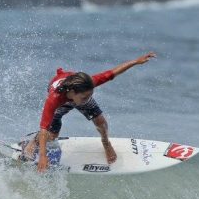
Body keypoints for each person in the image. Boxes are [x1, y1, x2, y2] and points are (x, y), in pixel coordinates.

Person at [25, 52, 156, 172]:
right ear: (71, 92)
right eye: (85, 97)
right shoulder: (53, 100)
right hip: (63, 102)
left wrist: (135, 62)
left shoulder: (86, 88)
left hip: (78, 93)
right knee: (51, 135)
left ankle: (105, 142)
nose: (88, 99)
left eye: (90, 95)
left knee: (101, 122)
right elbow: (44, 129)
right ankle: (33, 141)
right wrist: (43, 156)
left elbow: (112, 73)